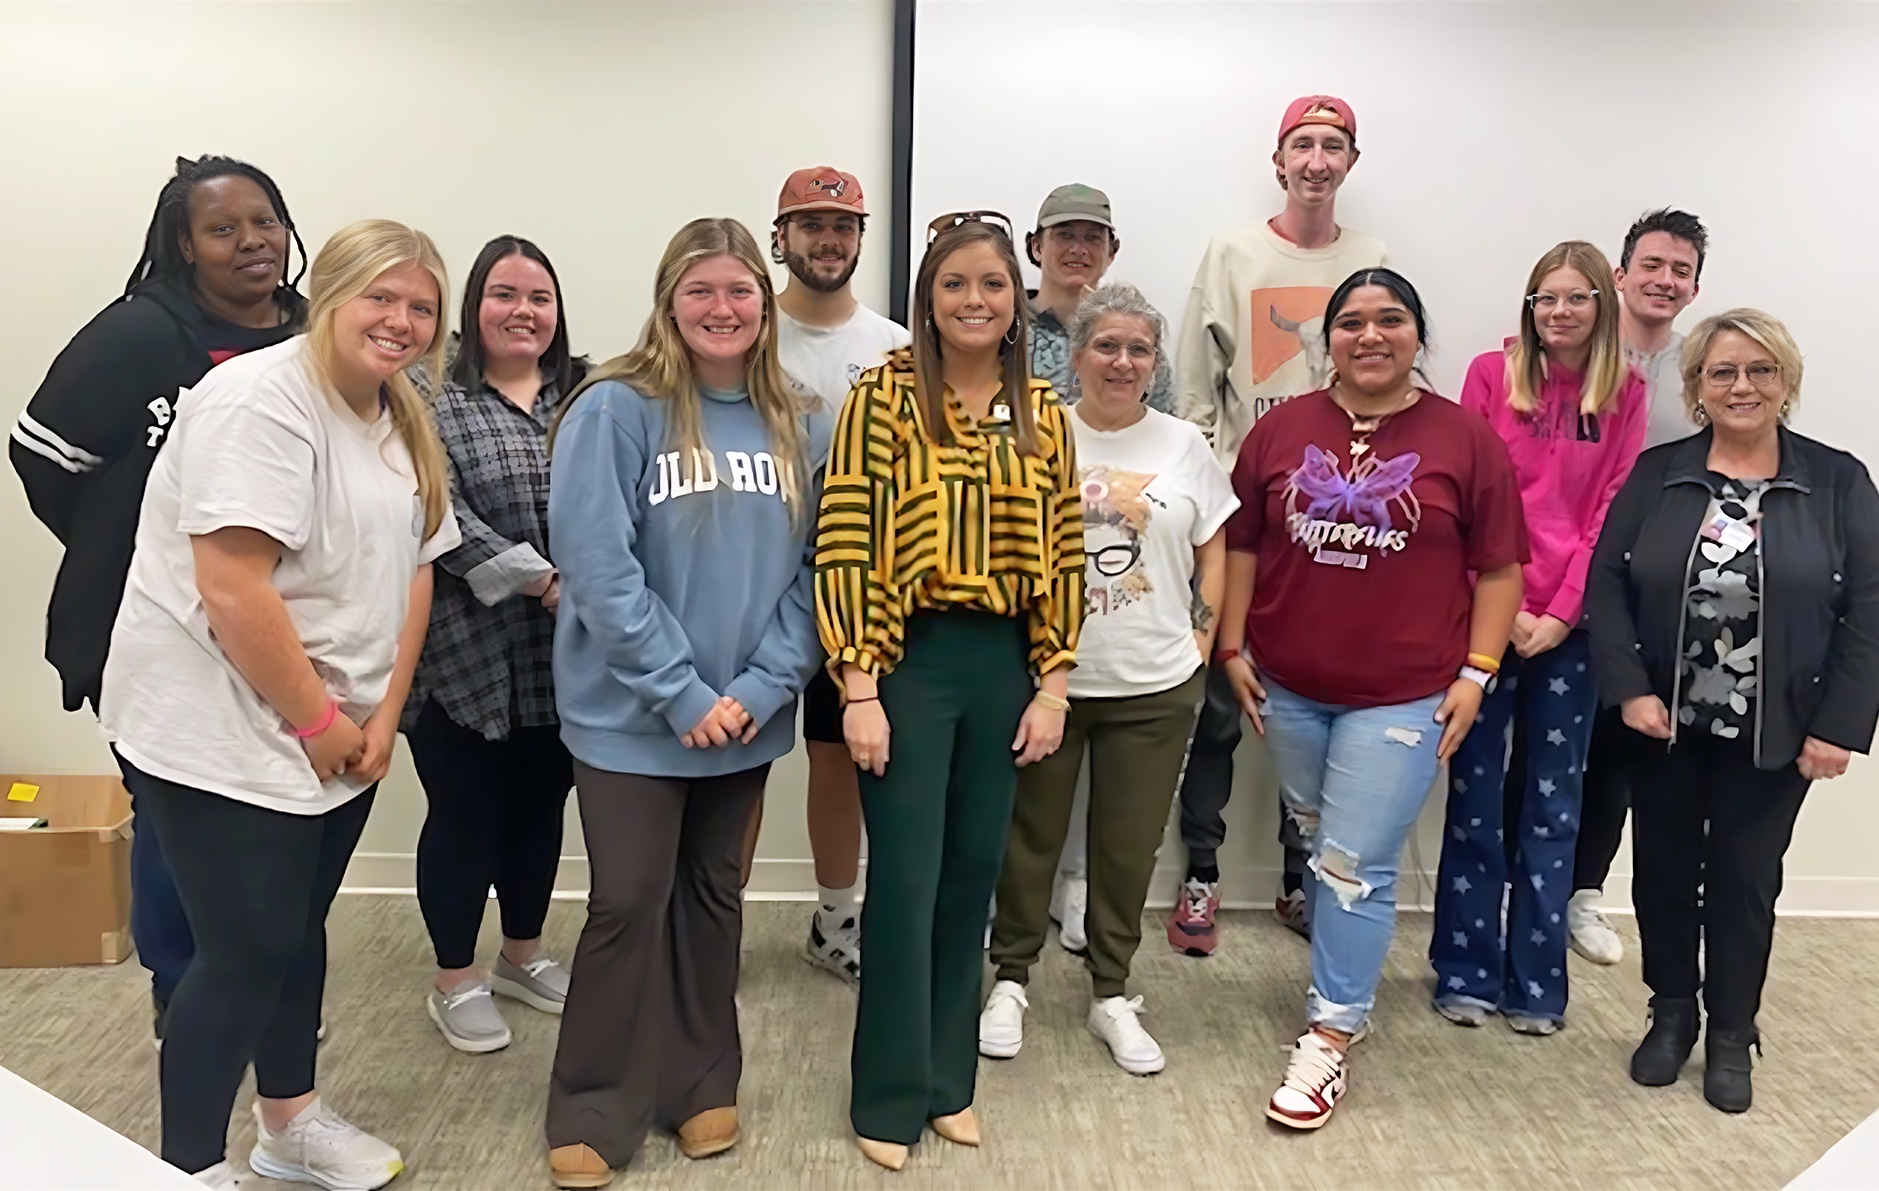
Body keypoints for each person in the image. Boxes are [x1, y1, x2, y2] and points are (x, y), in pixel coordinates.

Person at [99, 219, 457, 1188]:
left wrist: (380, 717)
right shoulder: (259, 403)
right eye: (380, 297)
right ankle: (190, 1167)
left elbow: (420, 566)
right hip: (219, 727)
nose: (401, 320)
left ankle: (288, 1122)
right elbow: (233, 590)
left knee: (297, 930)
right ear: (329, 295)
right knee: (244, 951)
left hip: (337, 728)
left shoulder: (398, 412)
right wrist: (319, 723)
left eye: (420, 305)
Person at [543, 217, 829, 1189]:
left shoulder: (800, 416)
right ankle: (591, 1101)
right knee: (627, 901)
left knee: (713, 899)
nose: (722, 308)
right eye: (701, 290)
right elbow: (596, 565)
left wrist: (754, 689)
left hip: (741, 717)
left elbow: (820, 571)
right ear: (669, 299)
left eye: (739, 290)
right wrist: (677, 691)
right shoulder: (616, 409)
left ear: (765, 299)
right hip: (632, 717)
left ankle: (700, 1078)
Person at [1219, 268, 1527, 1129]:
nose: (1369, 335)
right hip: (1286, 684)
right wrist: (1231, 644)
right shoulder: (1280, 431)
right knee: (1319, 843)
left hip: (1403, 694)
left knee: (1353, 866)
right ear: (1329, 340)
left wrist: (1476, 671)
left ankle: (1330, 1031)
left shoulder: (1463, 439)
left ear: (1416, 336)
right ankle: (1339, 974)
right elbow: (1243, 542)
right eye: (1350, 321)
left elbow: (1500, 567)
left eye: (1389, 319)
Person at [10, 155, 307, 1043]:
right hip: (155, 638)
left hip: (276, 629)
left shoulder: (311, 330)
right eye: (224, 228)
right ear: (184, 244)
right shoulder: (140, 334)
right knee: (179, 823)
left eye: (266, 221)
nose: (253, 242)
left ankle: (264, 989)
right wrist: (133, 555)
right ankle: (184, 996)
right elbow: (43, 454)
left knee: (273, 826)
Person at [817, 212, 1082, 1169]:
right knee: (906, 882)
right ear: (927, 302)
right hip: (907, 662)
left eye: (993, 286)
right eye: (955, 285)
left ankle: (946, 1080)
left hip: (1004, 663)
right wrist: (858, 684)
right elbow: (846, 536)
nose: (976, 302)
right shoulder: (883, 398)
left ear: (1016, 302)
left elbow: (1061, 554)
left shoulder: (1042, 408)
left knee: (971, 875)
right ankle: (885, 1093)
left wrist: (1051, 683)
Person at [1585, 309, 1879, 1113]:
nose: (1740, 385)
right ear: (1696, 389)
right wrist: (1629, 689)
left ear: (1784, 381)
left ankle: (1729, 1030)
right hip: (1662, 723)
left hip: (1779, 727)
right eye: (1721, 372)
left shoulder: (1836, 480)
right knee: (1662, 875)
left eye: (1758, 370)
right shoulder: (1660, 473)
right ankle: (1670, 1011)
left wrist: (1838, 725)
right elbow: (1606, 583)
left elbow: (1868, 607)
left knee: (1746, 881)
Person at [980, 284, 1232, 1075]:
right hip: (1043, 681)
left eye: (1138, 349)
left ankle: (1111, 992)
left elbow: (1214, 541)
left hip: (1153, 683)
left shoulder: (1183, 444)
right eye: (1106, 345)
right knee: (1027, 842)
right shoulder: (1029, 432)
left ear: (1154, 363)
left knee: (1126, 849)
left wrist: (1202, 633)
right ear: (1077, 354)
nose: (1122, 362)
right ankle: (1011, 978)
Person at [1171, 96, 1388, 953]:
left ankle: (1307, 878)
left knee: (1316, 703)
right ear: (1279, 159)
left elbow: (1383, 372)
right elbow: (1195, 385)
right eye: (1302, 144)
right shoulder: (1233, 251)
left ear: (1348, 161)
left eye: (1332, 146)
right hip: (1239, 513)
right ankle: (1201, 873)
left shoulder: (1370, 259)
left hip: (1334, 518)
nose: (1316, 159)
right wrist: (1201, 494)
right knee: (1221, 707)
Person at [1430, 241, 1646, 1035]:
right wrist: (1510, 604)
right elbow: (1469, 495)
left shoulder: (1624, 389)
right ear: (1529, 306)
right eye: (1545, 298)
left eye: (1576, 298)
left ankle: (1535, 983)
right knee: (1475, 795)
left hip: (1571, 623)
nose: (1559, 311)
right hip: (1489, 610)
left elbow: (1610, 512)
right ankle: (1464, 968)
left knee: (1553, 804)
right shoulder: (1492, 377)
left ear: (1601, 305)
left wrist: (1558, 611)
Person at [404, 236, 587, 1053]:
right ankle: (455, 977)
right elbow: (432, 509)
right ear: (472, 305)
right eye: (504, 294)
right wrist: (543, 582)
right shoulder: (426, 393)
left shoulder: (586, 393)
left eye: (538, 297)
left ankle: (522, 953)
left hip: (568, 654)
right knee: (464, 815)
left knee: (540, 809)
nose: (523, 311)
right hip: (462, 651)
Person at [754, 166, 910, 985]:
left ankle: (835, 916)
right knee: (735, 763)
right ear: (778, 236)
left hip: (854, 585)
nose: (827, 240)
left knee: (841, 754)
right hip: (750, 581)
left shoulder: (890, 346)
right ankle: (716, 918)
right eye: (810, 224)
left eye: (843, 226)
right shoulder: (745, 329)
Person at [1022, 185, 1173, 952]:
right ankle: (1010, 895)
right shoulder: (1002, 323)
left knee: (1105, 759)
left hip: (1117, 572)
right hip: (1020, 570)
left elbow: (1163, 435)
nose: (1076, 247)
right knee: (1026, 750)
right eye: (1061, 235)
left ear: (1111, 249)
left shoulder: (1136, 334)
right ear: (1034, 245)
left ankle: (1077, 887)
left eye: (1092, 236)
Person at [1564, 208, 1710, 965]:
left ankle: (1583, 892)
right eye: (1649, 265)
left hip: (1654, 586)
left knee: (1619, 745)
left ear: (1692, 288)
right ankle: (1526, 884)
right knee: (1548, 741)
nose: (1663, 280)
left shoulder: (1702, 369)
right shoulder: (1574, 352)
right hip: (1565, 574)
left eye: (1678, 270)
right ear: (1619, 276)